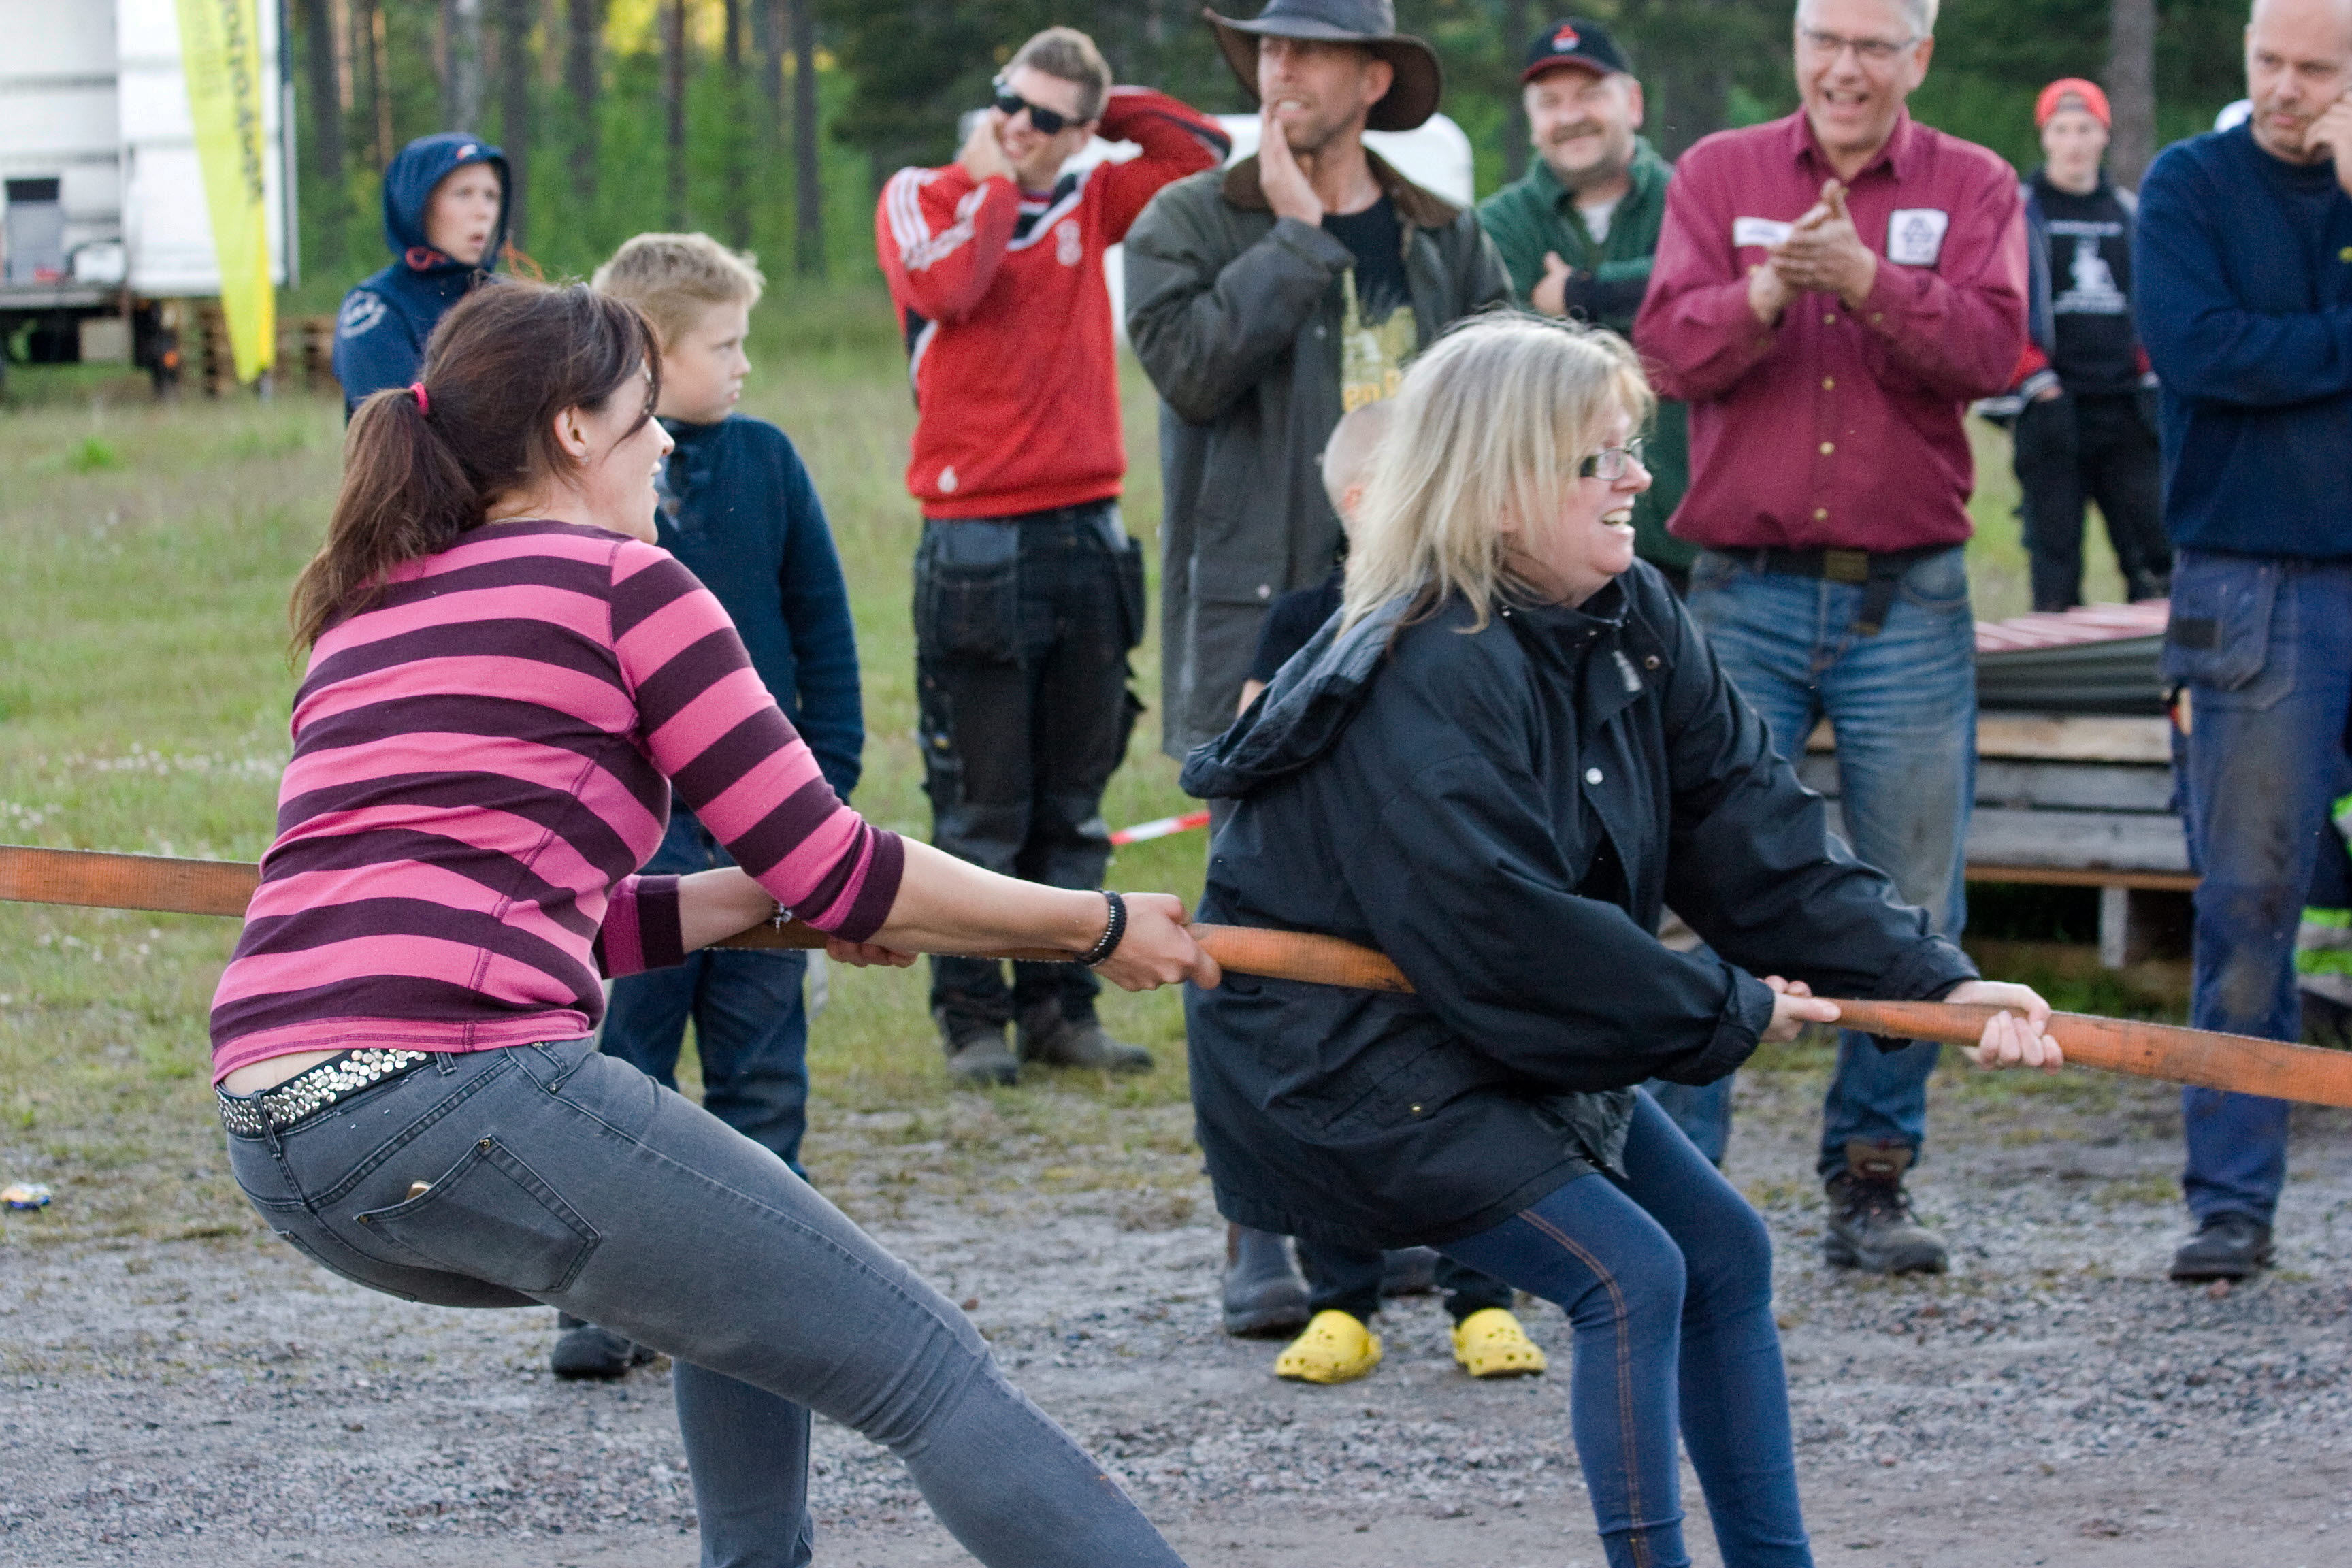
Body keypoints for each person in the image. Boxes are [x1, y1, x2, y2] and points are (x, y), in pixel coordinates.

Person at [210, 280, 1219, 1568]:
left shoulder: (368, 612)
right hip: (453, 1090)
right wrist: (1091, 924)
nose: (669, 444)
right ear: (575, 430)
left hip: (283, 1133)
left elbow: (534, 915)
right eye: (645, 415)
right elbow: (847, 867)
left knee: (733, 1270)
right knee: (925, 1368)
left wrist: (742, 899)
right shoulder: (628, 585)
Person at [1180, 313, 2059, 1568]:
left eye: (1631, 447)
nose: (1639, 478)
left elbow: (1748, 825)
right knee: (1633, 1272)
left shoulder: (1630, 609)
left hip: (1489, 1022)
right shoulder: (1427, 665)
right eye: (1598, 457)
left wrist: (1941, 977)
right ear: (1495, 489)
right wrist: (1728, 1007)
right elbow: (1501, 927)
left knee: (1722, 1248)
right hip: (1345, 1057)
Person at [1124, 0, 1509, 1331]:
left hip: (1424, 629)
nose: (1278, 72)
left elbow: (1503, 410)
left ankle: (1402, 1215)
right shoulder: (1188, 221)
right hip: (1258, 638)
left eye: (1306, 51)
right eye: (1265, 51)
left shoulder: (1444, 237)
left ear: (1373, 75)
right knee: (1256, 944)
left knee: (1422, 921)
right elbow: (1190, 372)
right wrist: (1292, 236)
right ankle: (1262, 1229)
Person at [1633, 0, 2028, 1275]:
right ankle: (1684, 1181)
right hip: (1739, 592)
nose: (1844, 68)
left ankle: (1871, 1177)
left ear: (1920, 55)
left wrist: (1870, 285)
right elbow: (1662, 352)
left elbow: (1990, 348)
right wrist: (1761, 291)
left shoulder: (1972, 182)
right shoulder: (1718, 172)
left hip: (1902, 596)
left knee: (1909, 896)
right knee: (1697, 883)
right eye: (1824, 40)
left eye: (1873, 45)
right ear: (1796, 46)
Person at [529, 233, 866, 1383]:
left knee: (764, 1063)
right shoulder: (585, 494)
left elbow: (820, 619)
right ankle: (604, 1293)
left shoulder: (770, 461)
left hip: (768, 826)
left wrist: (829, 778)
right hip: (635, 842)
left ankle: (769, 1286)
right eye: (725, 345)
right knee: (622, 1066)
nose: (743, 365)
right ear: (648, 356)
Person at [876, 27, 1229, 1087]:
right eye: (1009, 103)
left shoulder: (1090, 194)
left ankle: (1061, 1009)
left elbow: (1203, 154)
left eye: (1046, 115)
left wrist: (1105, 115)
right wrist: (996, 180)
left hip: (1089, 528)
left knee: (1074, 800)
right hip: (975, 536)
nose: (1018, 126)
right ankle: (973, 1020)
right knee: (982, 804)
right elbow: (948, 289)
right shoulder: (923, 194)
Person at [1230, 399, 1545, 1384]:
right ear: (1367, 504)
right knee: (1331, 1110)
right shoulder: (1298, 620)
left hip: (1452, 910)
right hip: (1329, 917)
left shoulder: (1484, 616)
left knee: (1480, 1097)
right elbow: (1249, 757)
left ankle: (1484, 1300)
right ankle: (1341, 1302)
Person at [2134, 0, 2352, 1282]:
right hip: (2253, 584)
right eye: (2268, 62)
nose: (2283, 89)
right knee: (2250, 899)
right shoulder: (2189, 184)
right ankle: (2231, 1202)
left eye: (2315, 71)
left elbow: (2269, 357)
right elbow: (2207, 354)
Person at [1478, 17, 1694, 591]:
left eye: (1590, 95)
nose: (1570, 116)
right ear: (1530, 123)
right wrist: (1646, 301)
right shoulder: (1500, 224)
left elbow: (1708, 290)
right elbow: (1512, 361)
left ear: (1634, 103)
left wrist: (1578, 294)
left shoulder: (1692, 199)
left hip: (1690, 546)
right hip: (1549, 555)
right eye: (1550, 102)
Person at [1995, 78, 2170, 611]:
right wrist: (2035, 382)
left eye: (2085, 129)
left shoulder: (2129, 212)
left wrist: (2151, 373)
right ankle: (2059, 683)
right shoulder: (2017, 213)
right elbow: (2000, 302)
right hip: (2052, 409)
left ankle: (2162, 681)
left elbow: (2157, 302)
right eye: (2062, 130)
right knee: (2056, 555)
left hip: (2125, 406)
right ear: (2045, 137)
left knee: (2155, 553)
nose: (2074, 142)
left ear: (2104, 137)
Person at [332, 133, 508, 416]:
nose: (483, 212)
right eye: (463, 194)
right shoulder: (376, 307)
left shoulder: (508, 300)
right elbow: (402, 426)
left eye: (491, 196)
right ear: (415, 204)